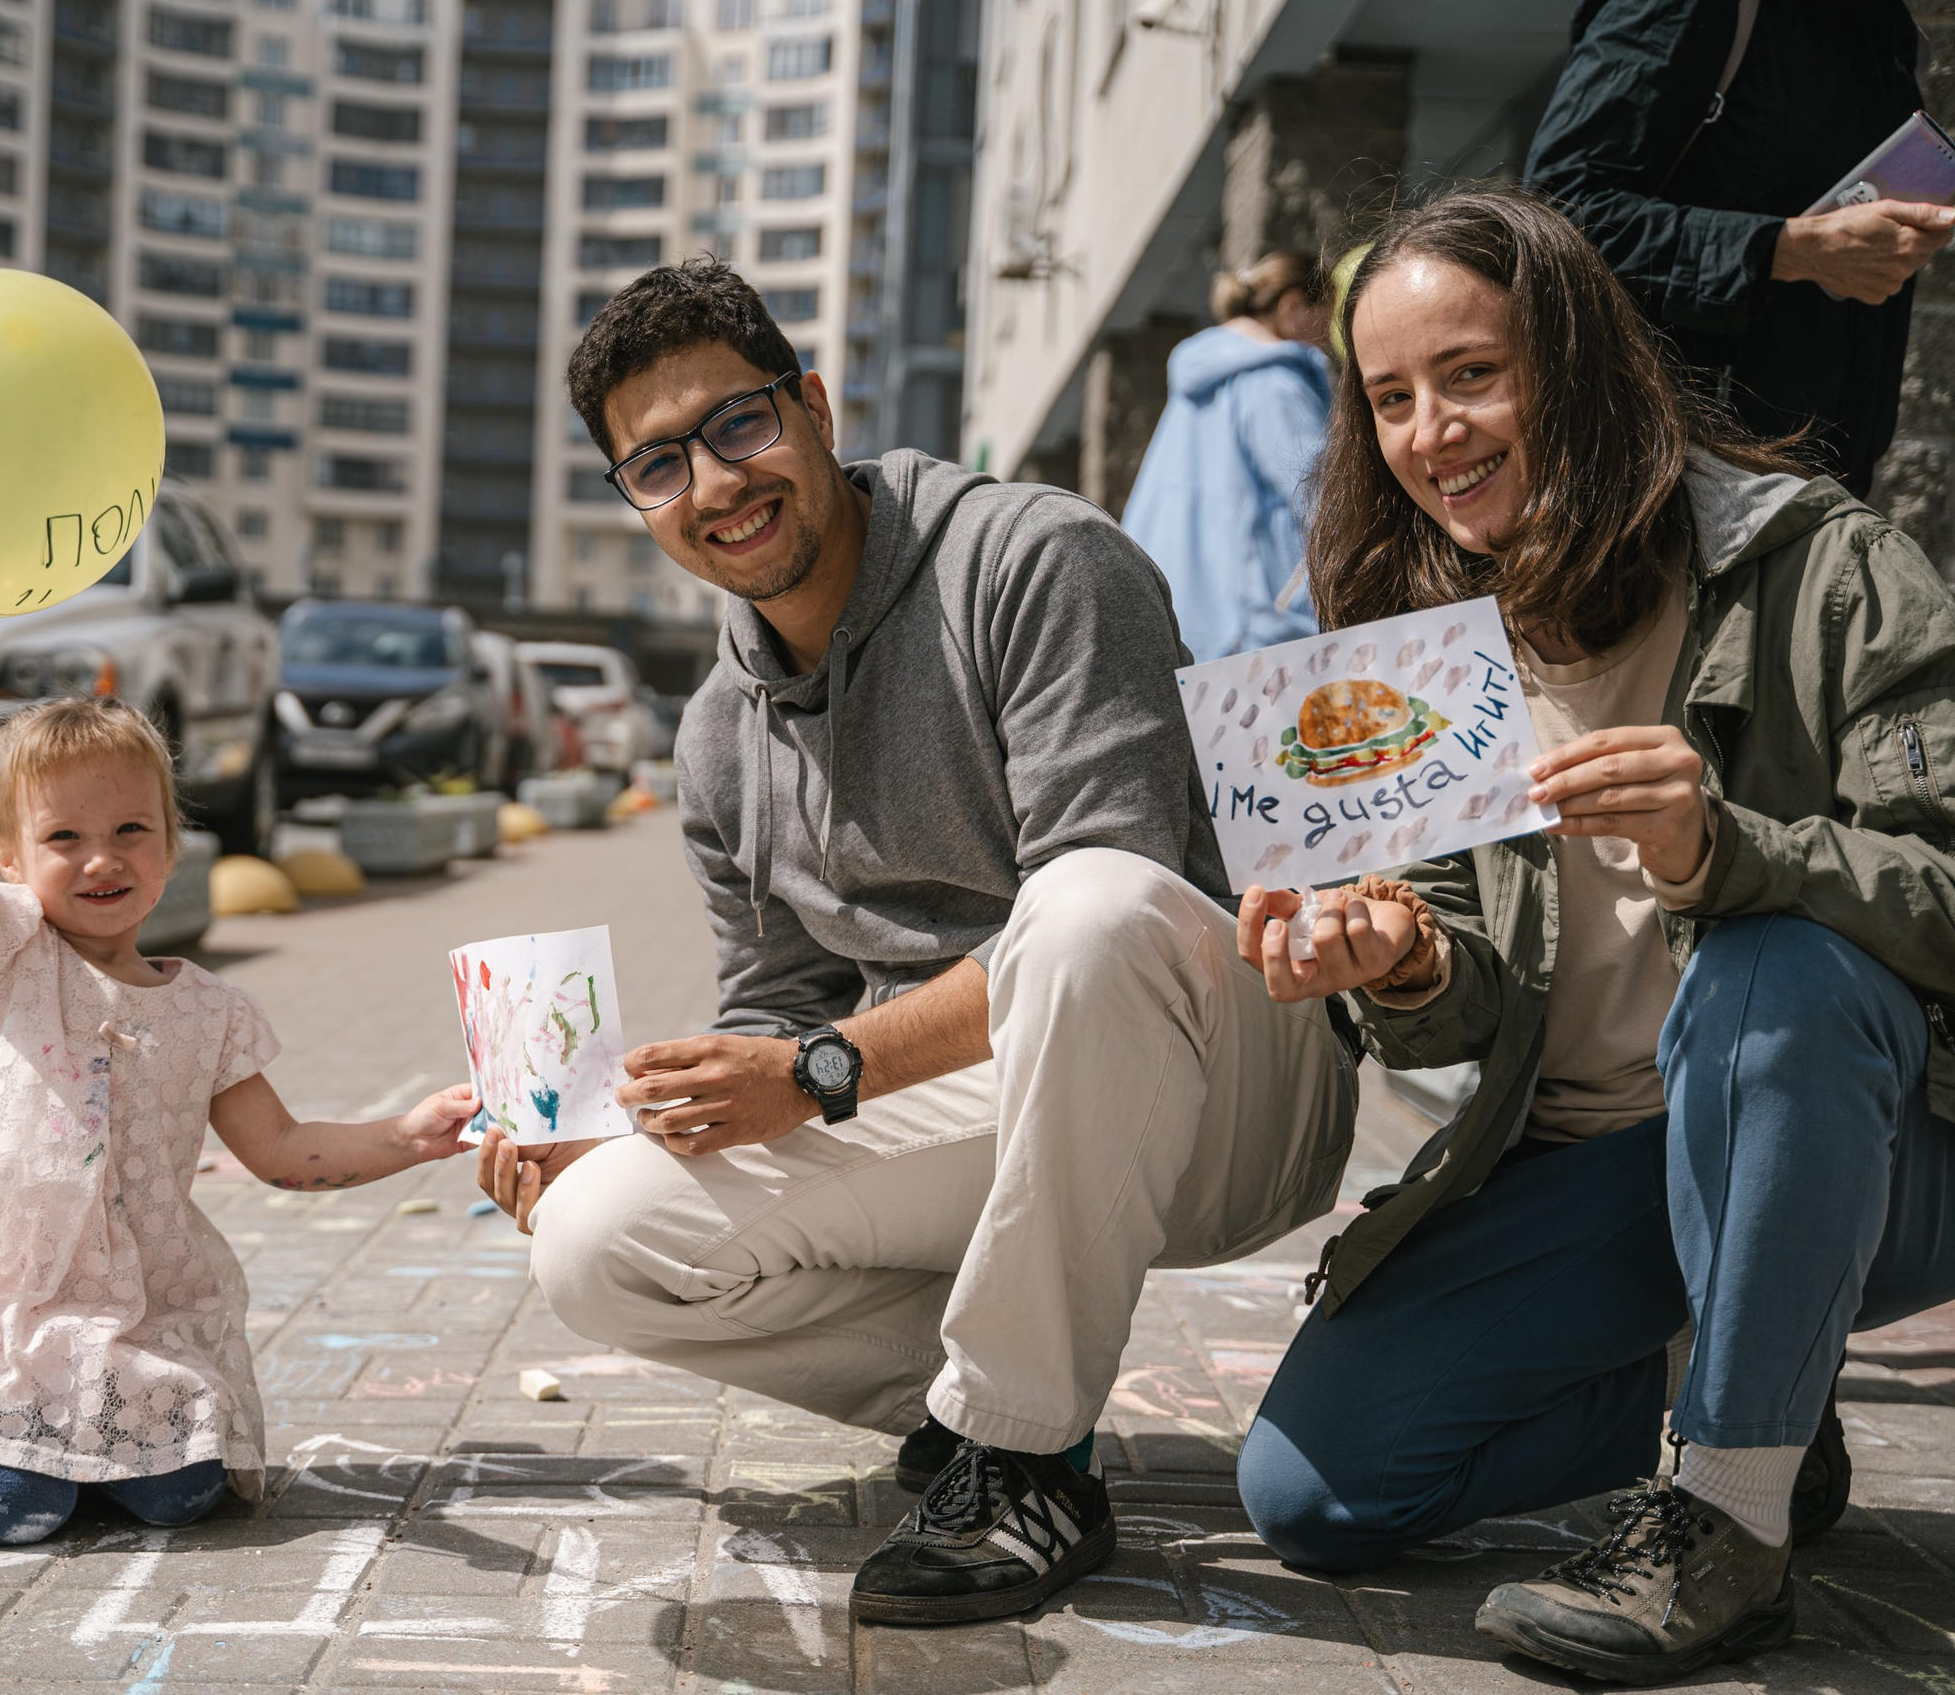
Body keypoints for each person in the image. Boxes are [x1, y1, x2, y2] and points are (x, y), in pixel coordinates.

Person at [474, 258, 1361, 1626]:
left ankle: (1025, 1451)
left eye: (738, 425)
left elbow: (1113, 903)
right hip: (961, 1106)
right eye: (657, 465)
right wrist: (640, 1129)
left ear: (815, 406)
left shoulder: (1037, 561)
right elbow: (779, 1010)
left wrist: (819, 1069)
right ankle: (992, 1393)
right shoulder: (717, 731)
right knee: (594, 1240)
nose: (713, 483)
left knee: (1088, 908)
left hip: (1224, 1089)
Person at [1229, 189, 1955, 1685]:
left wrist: (1726, 849)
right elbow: (1454, 995)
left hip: (1871, 1148)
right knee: (1314, 1493)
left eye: (1473, 372)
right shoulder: (1409, 656)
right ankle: (1760, 1387)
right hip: (1599, 1174)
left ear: (1579, 357)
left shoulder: (1825, 565)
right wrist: (1397, 963)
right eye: (1390, 399)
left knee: (1769, 967)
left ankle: (1729, 1520)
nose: (1433, 431)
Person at [0, 680, 476, 1546]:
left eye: (131, 830)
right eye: (64, 838)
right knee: (10, 1510)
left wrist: (405, 1136)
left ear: (172, 843)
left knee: (187, 1493)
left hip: (140, 1313)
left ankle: (79, 1457)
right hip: (12, 1310)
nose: (102, 859)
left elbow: (280, 1149)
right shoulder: (3, 949)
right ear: (9, 856)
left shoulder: (211, 1010)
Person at [1523, 0, 1954, 497]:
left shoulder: (1881, 20)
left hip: (1822, 479)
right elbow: (1558, 215)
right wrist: (1785, 250)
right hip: (1686, 481)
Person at [1120, 251, 1334, 659]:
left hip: (1174, 616)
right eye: (1326, 318)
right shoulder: (1275, 381)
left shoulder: (1200, 380)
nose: (1326, 337)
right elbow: (1320, 496)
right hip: (1253, 628)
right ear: (1293, 306)